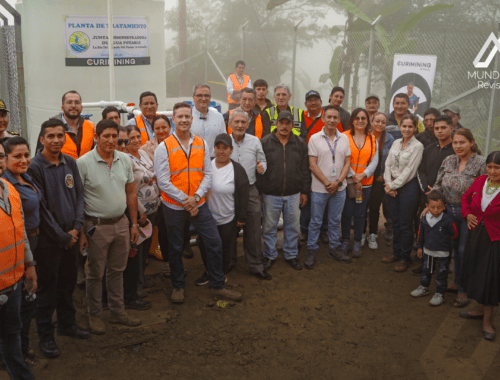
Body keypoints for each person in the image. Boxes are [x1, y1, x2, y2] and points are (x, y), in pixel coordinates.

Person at [154, 102, 242, 303]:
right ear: (173, 120)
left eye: (187, 116)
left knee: (214, 241)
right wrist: (186, 200)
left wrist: (195, 198)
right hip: (174, 206)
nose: (184, 120)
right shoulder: (163, 147)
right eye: (180, 117)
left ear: (191, 120)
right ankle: (178, 286)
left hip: (199, 204)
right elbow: (163, 181)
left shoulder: (201, 144)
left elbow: (207, 174)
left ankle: (218, 284)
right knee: (176, 247)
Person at [26, 120, 92, 359]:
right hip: (49, 242)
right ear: (42, 139)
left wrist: (75, 229)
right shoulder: (35, 167)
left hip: (70, 238)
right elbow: (41, 209)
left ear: (66, 139)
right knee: (47, 289)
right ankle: (46, 336)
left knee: (67, 284)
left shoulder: (70, 162)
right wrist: (62, 236)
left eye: (60, 136)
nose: (56, 140)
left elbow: (79, 197)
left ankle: (67, 325)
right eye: (50, 136)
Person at [77, 119, 142, 334]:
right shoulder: (83, 163)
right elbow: (77, 199)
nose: (111, 140)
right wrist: (81, 231)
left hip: (121, 224)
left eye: (115, 136)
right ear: (96, 137)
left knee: (117, 271)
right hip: (96, 227)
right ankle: (94, 314)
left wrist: (133, 224)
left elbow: (131, 192)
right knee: (95, 273)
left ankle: (117, 312)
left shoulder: (124, 160)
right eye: (106, 136)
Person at [430, 128, 486, 308]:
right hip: (449, 212)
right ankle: (457, 281)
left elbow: (484, 191)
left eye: (462, 142)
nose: (458, 146)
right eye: (455, 142)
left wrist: (473, 212)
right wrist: (431, 205)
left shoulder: (480, 163)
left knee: (464, 250)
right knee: (453, 248)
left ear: (471, 142)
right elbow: (438, 185)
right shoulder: (449, 160)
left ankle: (464, 288)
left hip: (468, 214)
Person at [2, 137, 41, 364]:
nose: (24, 160)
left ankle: (20, 349)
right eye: (17, 156)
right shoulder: (6, 186)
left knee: (28, 301)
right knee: (20, 306)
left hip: (30, 245)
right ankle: (16, 355)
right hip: (15, 252)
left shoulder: (25, 176)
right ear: (5, 158)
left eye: (26, 155)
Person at [257, 111, 310, 271]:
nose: (284, 126)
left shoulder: (300, 143)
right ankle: (269, 255)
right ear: (276, 124)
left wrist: (304, 191)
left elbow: (305, 169)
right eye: (282, 123)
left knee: (293, 226)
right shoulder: (265, 142)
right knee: (269, 227)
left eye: (288, 123)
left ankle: (291, 254)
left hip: (293, 193)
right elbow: (258, 168)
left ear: (293, 125)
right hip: (271, 194)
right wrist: (260, 191)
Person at [197, 134, 249, 283]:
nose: (221, 151)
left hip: (228, 218)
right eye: (218, 148)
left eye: (225, 148)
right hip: (207, 218)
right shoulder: (207, 165)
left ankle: (220, 274)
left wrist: (241, 218)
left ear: (231, 150)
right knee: (204, 245)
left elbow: (244, 195)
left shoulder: (237, 170)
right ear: (213, 149)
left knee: (226, 248)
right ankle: (208, 271)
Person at [459, 151, 500, 340]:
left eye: (497, 168)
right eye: (490, 167)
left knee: (489, 277)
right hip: (476, 235)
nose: (492, 171)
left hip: (494, 239)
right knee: (475, 271)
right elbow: (465, 198)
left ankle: (487, 320)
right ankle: (479, 309)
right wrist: (467, 214)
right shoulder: (480, 181)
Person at [305, 106, 352, 268]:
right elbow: (312, 165)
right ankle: (311, 249)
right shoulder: (314, 138)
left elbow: (347, 163)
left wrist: (338, 182)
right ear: (323, 119)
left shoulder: (344, 138)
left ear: (339, 120)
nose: (332, 120)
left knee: (334, 220)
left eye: (335, 117)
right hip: (319, 187)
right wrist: (327, 183)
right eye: (329, 117)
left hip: (340, 187)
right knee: (316, 221)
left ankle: (334, 248)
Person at [228, 109, 270, 280]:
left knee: (253, 229)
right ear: (230, 124)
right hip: (228, 191)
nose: (239, 125)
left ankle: (255, 265)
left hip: (251, 190)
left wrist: (263, 167)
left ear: (248, 124)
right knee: (228, 228)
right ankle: (229, 262)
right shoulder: (223, 141)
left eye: (243, 122)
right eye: (236, 122)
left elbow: (264, 161)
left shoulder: (254, 141)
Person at [412, 115, 454, 276]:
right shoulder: (429, 148)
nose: (439, 131)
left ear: (451, 128)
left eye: (443, 127)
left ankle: (444, 264)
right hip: (427, 196)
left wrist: (437, 193)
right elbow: (421, 170)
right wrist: (427, 191)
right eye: (436, 128)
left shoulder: (455, 149)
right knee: (424, 226)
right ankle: (426, 263)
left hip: (445, 200)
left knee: (443, 231)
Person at [382, 114, 424, 272]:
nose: (406, 129)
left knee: (406, 224)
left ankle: (405, 258)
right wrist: (388, 184)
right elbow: (387, 164)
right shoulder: (396, 142)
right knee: (396, 222)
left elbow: (410, 171)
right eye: (404, 126)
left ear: (415, 128)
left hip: (407, 188)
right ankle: (396, 253)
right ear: (400, 126)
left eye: (410, 126)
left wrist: (393, 185)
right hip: (391, 186)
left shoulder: (418, 146)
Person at [125, 125, 160, 309]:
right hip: (139, 211)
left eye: (138, 136)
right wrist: (140, 211)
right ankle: (135, 287)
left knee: (146, 248)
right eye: (132, 137)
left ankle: (142, 278)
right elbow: (129, 189)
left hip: (153, 208)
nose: (137, 140)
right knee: (136, 251)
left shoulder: (144, 153)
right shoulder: (126, 159)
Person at [140, 115, 177, 278]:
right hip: (158, 197)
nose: (161, 131)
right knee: (161, 229)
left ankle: (174, 262)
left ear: (170, 127)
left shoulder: (177, 143)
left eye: (164, 127)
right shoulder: (146, 149)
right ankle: (166, 263)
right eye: (157, 128)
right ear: (152, 130)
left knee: (174, 231)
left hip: (177, 194)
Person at [339, 108, 379, 258]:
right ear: (352, 120)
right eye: (357, 118)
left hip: (365, 183)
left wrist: (363, 175)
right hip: (347, 181)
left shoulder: (372, 138)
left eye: (363, 118)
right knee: (347, 213)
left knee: (361, 213)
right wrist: (353, 176)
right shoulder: (343, 136)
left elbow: (375, 160)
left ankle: (357, 241)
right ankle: (344, 240)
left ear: (368, 121)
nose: (360, 121)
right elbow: (341, 157)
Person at [411, 190, 457, 306]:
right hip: (428, 251)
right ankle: (424, 287)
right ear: (427, 206)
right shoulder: (424, 219)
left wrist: (443, 242)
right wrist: (420, 247)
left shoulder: (448, 221)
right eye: (433, 207)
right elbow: (420, 234)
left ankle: (440, 294)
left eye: (439, 207)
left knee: (442, 274)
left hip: (443, 254)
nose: (436, 210)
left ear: (444, 207)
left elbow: (454, 234)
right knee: (427, 271)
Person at [299, 90, 329, 245]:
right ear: (305, 104)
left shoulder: (328, 117)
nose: (313, 103)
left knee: (323, 196)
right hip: (305, 162)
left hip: (324, 162)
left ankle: (323, 230)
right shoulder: (301, 117)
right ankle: (304, 229)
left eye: (316, 100)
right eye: (309, 100)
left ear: (321, 102)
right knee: (306, 195)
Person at [36, 91, 95, 160]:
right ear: (62, 107)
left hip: (84, 170)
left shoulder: (90, 126)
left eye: (77, 102)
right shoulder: (50, 128)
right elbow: (39, 157)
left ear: (81, 107)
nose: (73, 105)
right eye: (69, 102)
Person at [365, 112, 394, 249]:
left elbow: (392, 160)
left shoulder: (390, 138)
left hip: (379, 179)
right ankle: (361, 233)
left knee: (375, 207)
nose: (380, 124)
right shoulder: (364, 136)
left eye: (383, 122)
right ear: (371, 121)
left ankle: (373, 234)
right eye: (377, 121)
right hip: (364, 177)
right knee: (361, 207)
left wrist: (383, 174)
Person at [190, 84, 226, 158]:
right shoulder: (187, 117)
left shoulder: (218, 117)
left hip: (214, 161)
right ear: (193, 97)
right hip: (192, 161)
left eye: (206, 96)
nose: (203, 98)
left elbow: (223, 140)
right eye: (199, 95)